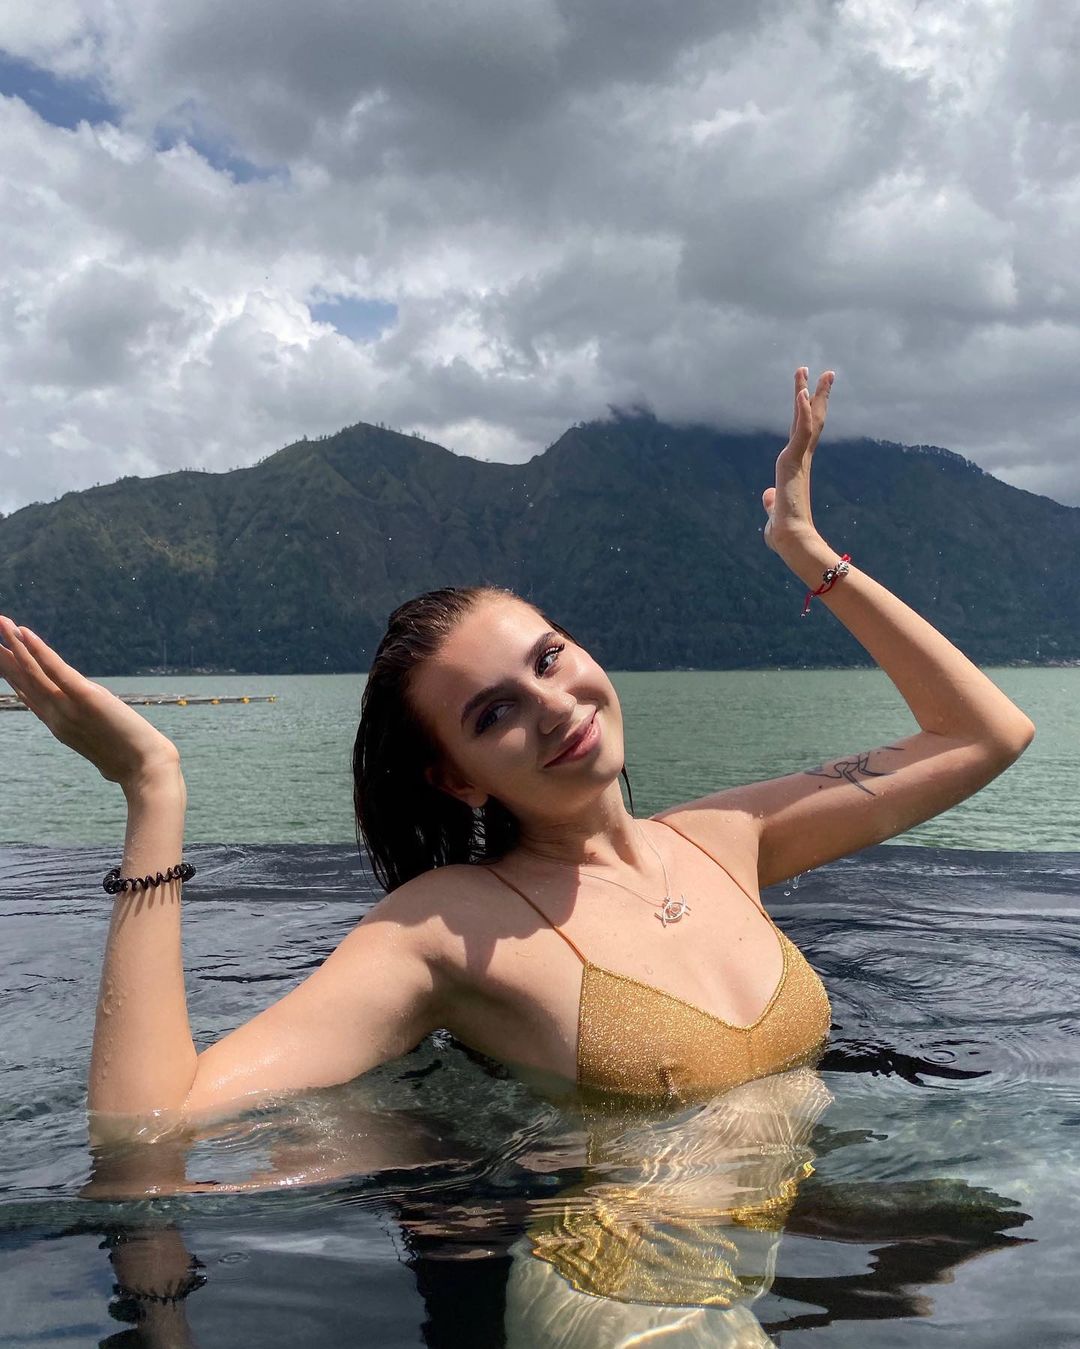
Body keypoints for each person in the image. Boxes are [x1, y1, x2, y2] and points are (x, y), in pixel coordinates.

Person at [0, 369, 1035, 1138]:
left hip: (791, 1249)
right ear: (455, 774)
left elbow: (986, 734)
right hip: (629, 1297)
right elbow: (151, 1124)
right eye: (494, 711)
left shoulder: (731, 837)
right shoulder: (445, 930)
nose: (553, 703)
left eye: (549, 656)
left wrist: (807, 553)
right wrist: (153, 792)